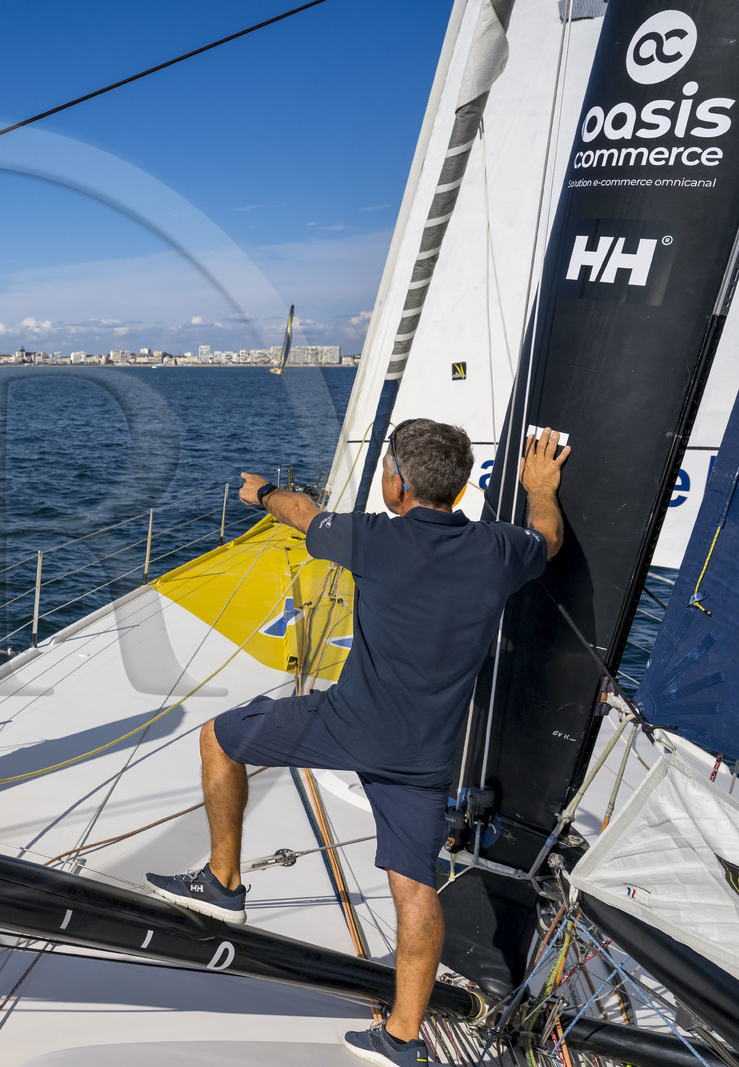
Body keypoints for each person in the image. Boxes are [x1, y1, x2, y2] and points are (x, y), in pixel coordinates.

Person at [146, 420, 569, 1067]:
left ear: (397, 484)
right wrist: (540, 487)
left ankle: (223, 882)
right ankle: (402, 1038)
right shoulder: (500, 550)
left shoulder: (373, 538)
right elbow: (548, 537)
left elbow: (301, 512)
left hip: (344, 724)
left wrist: (261, 493)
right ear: (459, 489)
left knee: (218, 738)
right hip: (425, 757)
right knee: (415, 889)